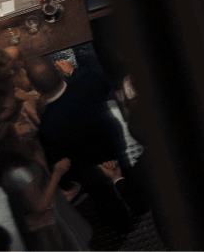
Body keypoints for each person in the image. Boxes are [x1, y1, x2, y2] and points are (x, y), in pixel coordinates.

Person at [24, 56, 133, 233]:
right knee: (126, 175)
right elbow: (103, 83)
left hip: (91, 172)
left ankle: (122, 226)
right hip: (114, 146)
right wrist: (73, 71)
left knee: (105, 200)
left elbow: (59, 168)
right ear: (58, 72)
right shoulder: (87, 82)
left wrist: (68, 182)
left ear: (36, 88)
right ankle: (136, 198)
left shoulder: (47, 127)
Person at [0, 123, 92, 252]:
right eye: (15, 134)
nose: (19, 129)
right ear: (10, 145)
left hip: (28, 215)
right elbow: (39, 206)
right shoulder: (18, 174)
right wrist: (57, 173)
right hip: (46, 222)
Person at [0, 47, 43, 139]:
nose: (12, 72)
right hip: (16, 123)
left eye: (9, 66)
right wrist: (15, 103)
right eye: (4, 73)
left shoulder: (11, 61)